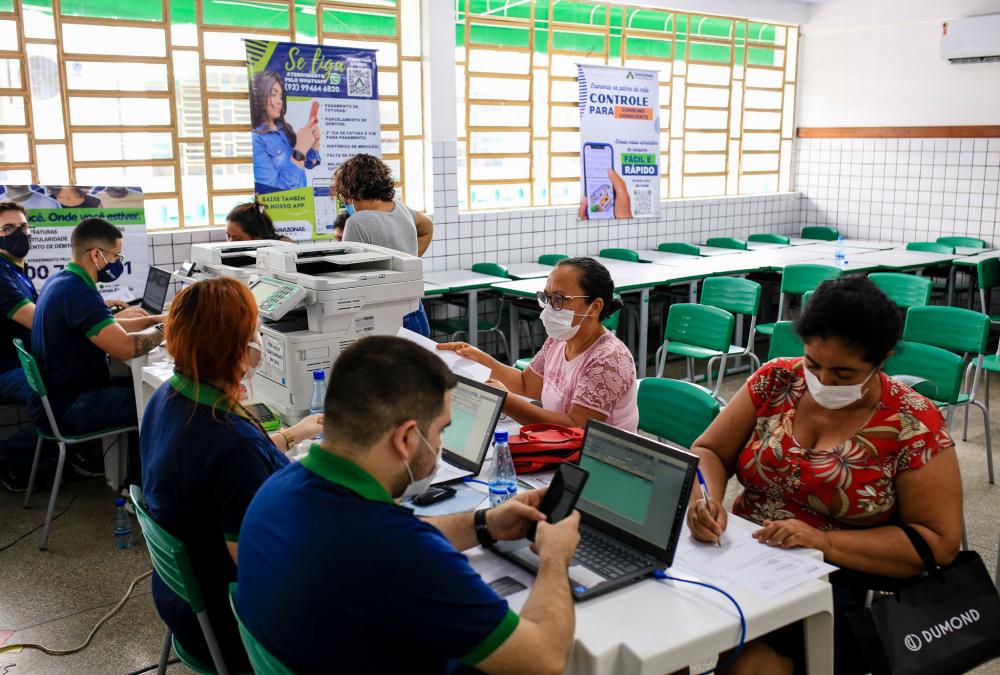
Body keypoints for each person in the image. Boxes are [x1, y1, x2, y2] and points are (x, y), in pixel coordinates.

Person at [237, 336, 581, 674]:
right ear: (404, 438)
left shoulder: (277, 488)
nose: (441, 444)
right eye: (441, 430)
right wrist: (554, 556)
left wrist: (485, 524)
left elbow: (396, 537)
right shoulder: (400, 553)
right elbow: (544, 659)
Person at [686, 275, 963, 675]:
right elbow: (710, 450)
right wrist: (705, 499)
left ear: (882, 359)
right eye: (813, 364)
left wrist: (823, 541)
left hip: (837, 577)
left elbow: (937, 542)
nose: (823, 382)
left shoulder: (911, 422)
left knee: (751, 667)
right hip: (741, 554)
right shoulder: (777, 381)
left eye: (844, 374)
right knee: (655, 639)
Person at [140, 276, 322, 672]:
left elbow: (217, 472)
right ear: (238, 346)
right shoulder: (233, 444)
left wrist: (291, 435)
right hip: (231, 625)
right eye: (255, 329)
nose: (259, 338)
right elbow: (259, 566)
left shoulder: (170, 395)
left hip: (184, 601)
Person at [439, 257, 638, 431]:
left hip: (600, 462)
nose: (550, 308)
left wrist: (506, 401)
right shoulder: (559, 340)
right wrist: (478, 359)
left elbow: (576, 428)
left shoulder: (609, 359)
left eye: (559, 299)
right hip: (561, 450)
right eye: (547, 298)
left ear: (595, 307)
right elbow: (527, 385)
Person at [30, 218, 166, 475]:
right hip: (71, 406)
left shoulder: (62, 279)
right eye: (116, 255)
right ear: (96, 255)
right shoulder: (77, 292)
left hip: (55, 399)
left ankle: (132, 480)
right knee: (155, 403)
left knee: (138, 390)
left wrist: (156, 319)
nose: (117, 262)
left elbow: (105, 322)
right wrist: (169, 329)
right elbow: (125, 348)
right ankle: (137, 489)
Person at [333, 153, 434, 335]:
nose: (347, 202)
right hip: (416, 312)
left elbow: (348, 279)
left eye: (347, 197)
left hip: (385, 318)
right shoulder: (400, 208)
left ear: (355, 189)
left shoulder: (357, 222)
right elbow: (427, 226)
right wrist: (409, 261)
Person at [251, 71, 320, 192]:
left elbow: (310, 163)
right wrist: (299, 150)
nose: (279, 102)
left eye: (281, 97)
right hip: (282, 209)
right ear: (259, 96)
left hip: (304, 203)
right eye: (273, 94)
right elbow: (272, 191)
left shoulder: (285, 129)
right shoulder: (256, 140)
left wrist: (313, 144)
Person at [225, 200, 293, 242]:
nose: (229, 242)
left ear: (257, 237)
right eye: (228, 236)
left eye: (237, 239)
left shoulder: (282, 248)